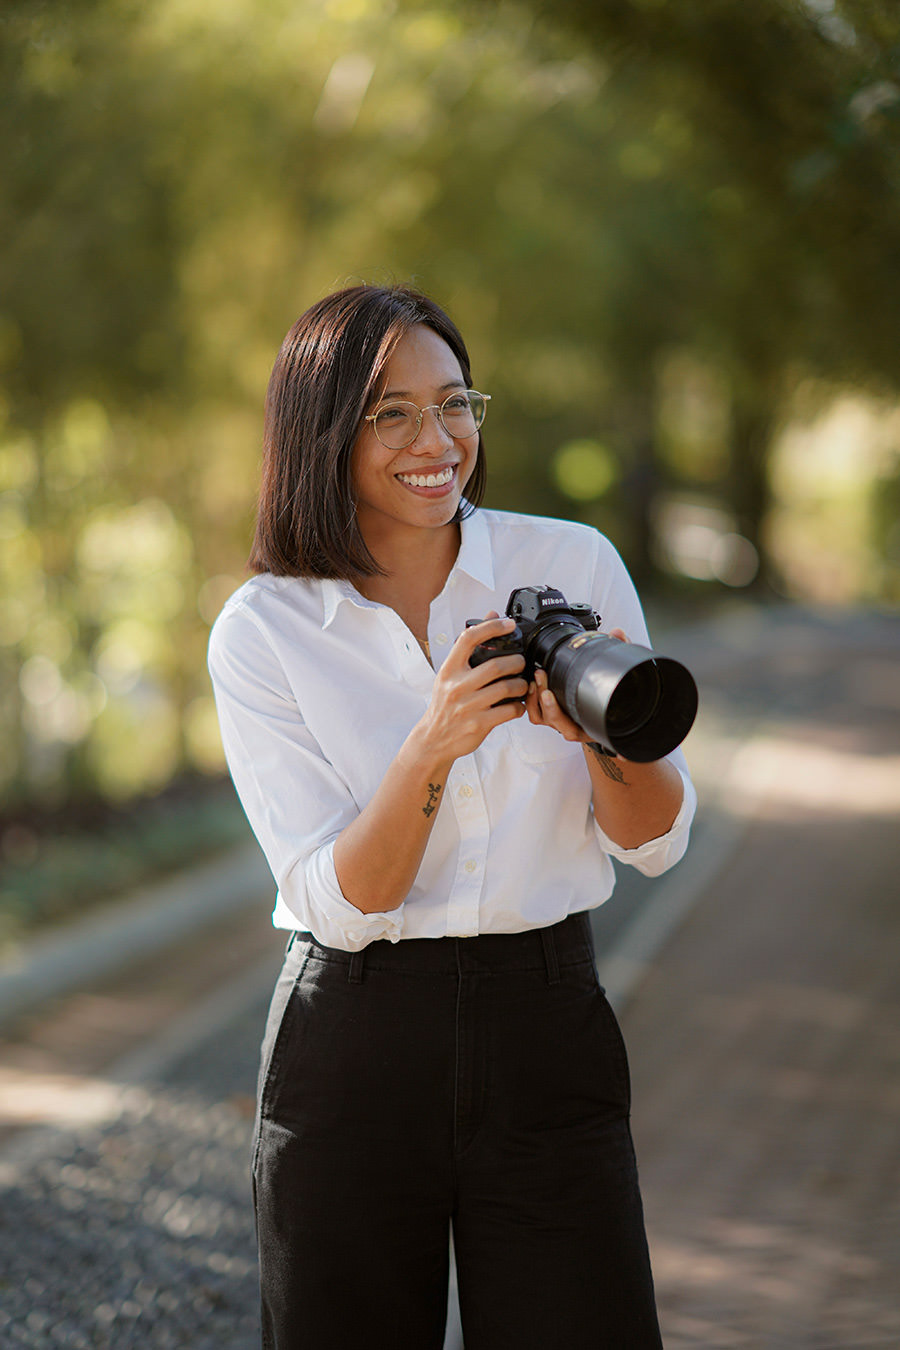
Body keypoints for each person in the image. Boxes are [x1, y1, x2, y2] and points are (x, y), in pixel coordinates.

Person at [208, 283, 696, 1349]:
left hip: (547, 1023)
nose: (437, 440)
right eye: (391, 412)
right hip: (354, 1040)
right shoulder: (266, 630)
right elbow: (345, 899)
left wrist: (595, 737)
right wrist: (433, 741)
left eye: (455, 402)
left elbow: (655, 838)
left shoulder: (570, 565)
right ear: (320, 431)